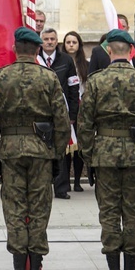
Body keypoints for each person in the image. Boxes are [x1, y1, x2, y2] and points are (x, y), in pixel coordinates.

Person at [0, 27, 71, 270]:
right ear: (37, 50)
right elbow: (62, 122)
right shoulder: (49, 78)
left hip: (9, 152)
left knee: (15, 211)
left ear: (15, 49)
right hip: (41, 151)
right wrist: (56, 154)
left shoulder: (0, 77)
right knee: (39, 210)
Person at [77, 29, 135, 270]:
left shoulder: (95, 82)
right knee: (133, 214)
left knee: (110, 213)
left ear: (109, 51)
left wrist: (89, 156)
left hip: (104, 155)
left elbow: (84, 125)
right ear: (131, 52)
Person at [40, 27, 79, 199]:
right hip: (40, 113)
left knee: (61, 150)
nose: (49, 42)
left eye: (52, 39)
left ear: (57, 41)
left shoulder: (66, 61)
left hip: (62, 113)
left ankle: (61, 188)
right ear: (41, 41)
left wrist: (72, 115)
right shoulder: (35, 59)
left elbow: (73, 88)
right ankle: (43, 187)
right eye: (46, 39)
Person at [62, 31, 88, 191]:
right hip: (65, 107)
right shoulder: (61, 62)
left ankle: (77, 181)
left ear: (79, 45)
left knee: (79, 147)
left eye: (74, 42)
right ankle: (65, 180)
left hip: (81, 109)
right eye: (68, 42)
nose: (71, 45)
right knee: (65, 147)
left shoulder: (86, 64)